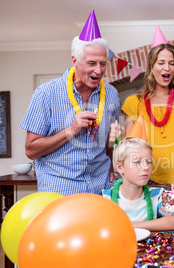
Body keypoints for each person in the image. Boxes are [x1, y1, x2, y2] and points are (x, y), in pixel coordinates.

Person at [20, 10, 119, 195]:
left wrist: (113, 164)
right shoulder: (46, 94)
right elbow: (31, 150)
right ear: (75, 61)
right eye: (91, 63)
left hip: (102, 187)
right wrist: (70, 130)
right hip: (60, 189)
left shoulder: (112, 94)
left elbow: (110, 140)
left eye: (103, 64)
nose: (99, 70)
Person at [121, 27, 174, 186]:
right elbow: (130, 147)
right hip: (145, 183)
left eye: (171, 63)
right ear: (151, 67)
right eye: (161, 63)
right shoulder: (133, 103)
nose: (167, 68)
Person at [102, 138, 174, 231]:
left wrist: (129, 225)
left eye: (149, 162)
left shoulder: (158, 195)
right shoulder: (106, 198)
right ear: (120, 167)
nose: (146, 167)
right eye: (137, 162)